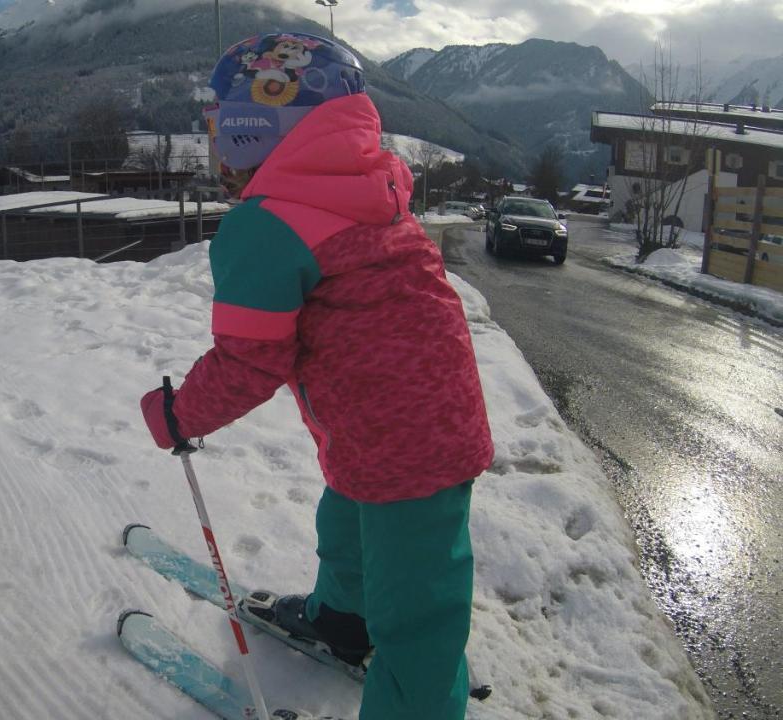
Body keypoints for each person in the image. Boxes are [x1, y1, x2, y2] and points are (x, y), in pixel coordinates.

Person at [139, 32, 494, 720]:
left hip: (413, 446)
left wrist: (179, 414)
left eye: (219, 121)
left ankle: (416, 698)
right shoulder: (369, 185)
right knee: (349, 518)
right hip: (390, 428)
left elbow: (250, 361)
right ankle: (342, 618)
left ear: (254, 125)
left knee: (420, 617)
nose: (213, 138)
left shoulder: (268, 225)